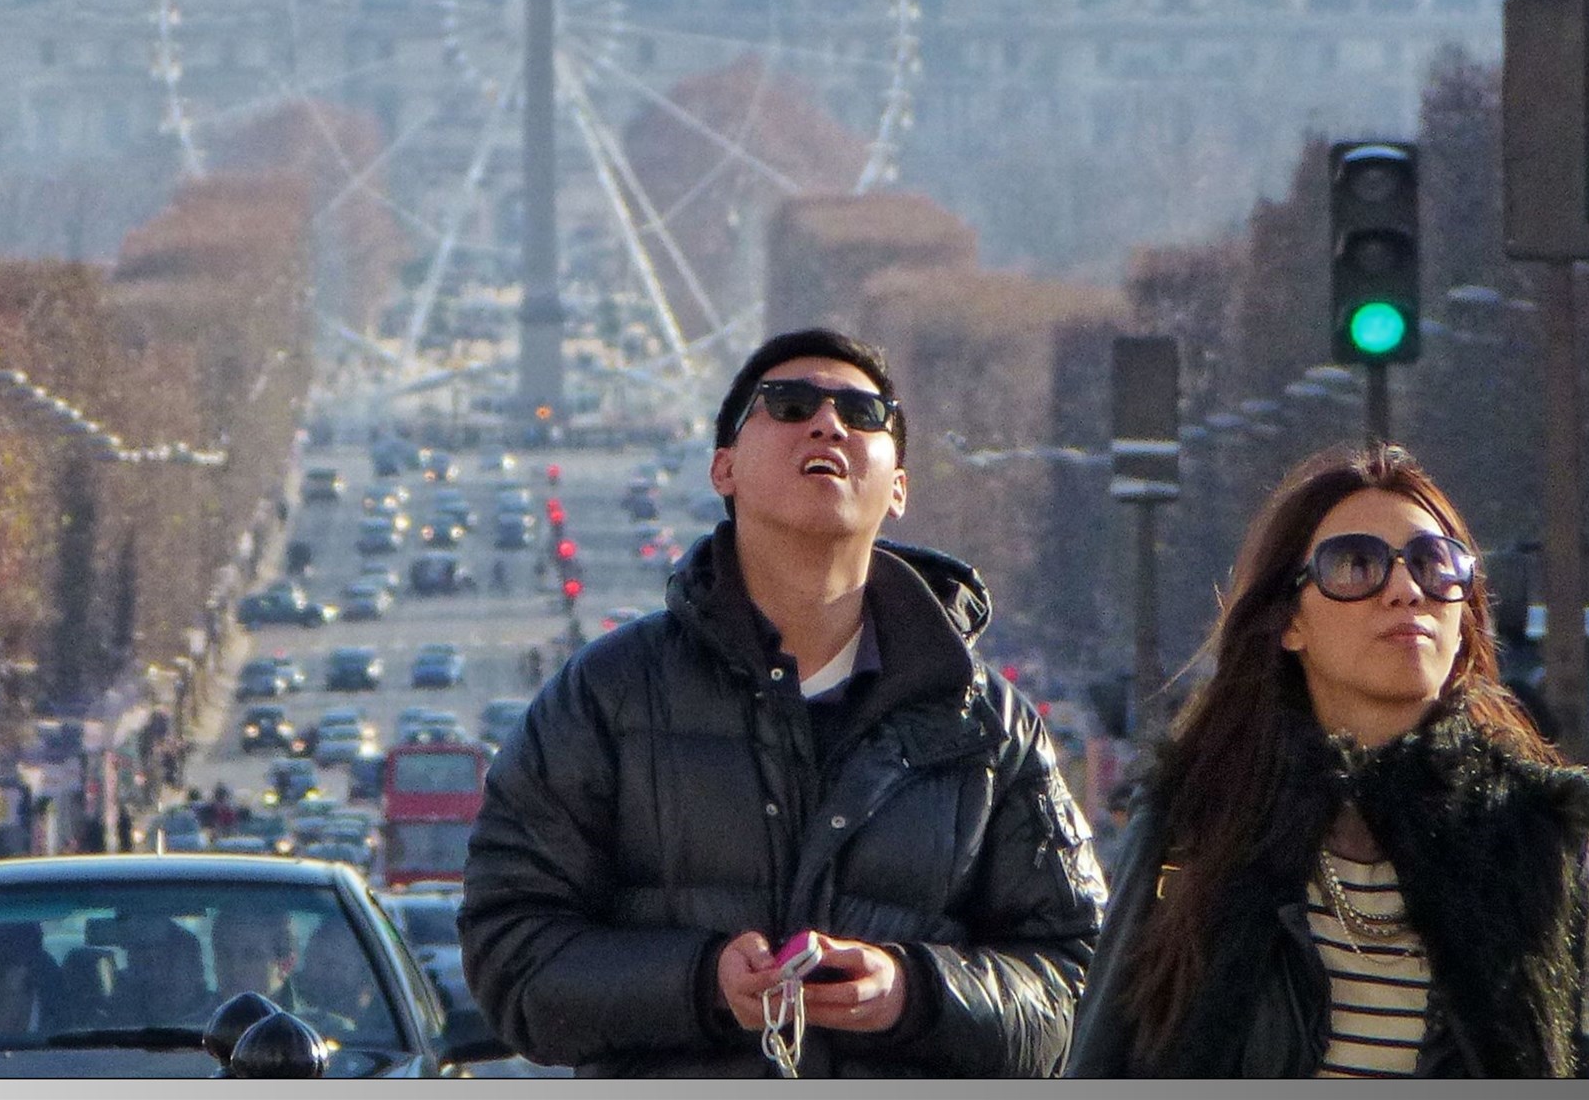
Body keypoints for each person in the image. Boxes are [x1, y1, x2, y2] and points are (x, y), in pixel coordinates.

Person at [461, 328, 1106, 1078]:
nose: (828, 424)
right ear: (723, 468)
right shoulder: (604, 698)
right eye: (789, 404)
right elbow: (510, 957)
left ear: (898, 487)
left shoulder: (991, 729)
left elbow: (1080, 981)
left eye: (865, 414)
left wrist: (916, 991)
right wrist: (703, 985)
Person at [1068, 443, 1589, 1078]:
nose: (1406, 590)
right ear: (1289, 621)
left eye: (1434, 564)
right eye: (1356, 565)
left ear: (1464, 616)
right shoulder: (1195, 826)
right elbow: (1103, 1061)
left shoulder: (1545, 845)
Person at [212, 902, 299, 1004]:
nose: (235, 968)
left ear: (286, 965)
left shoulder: (307, 1020)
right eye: (224, 955)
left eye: (251, 956)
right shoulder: (194, 1019)